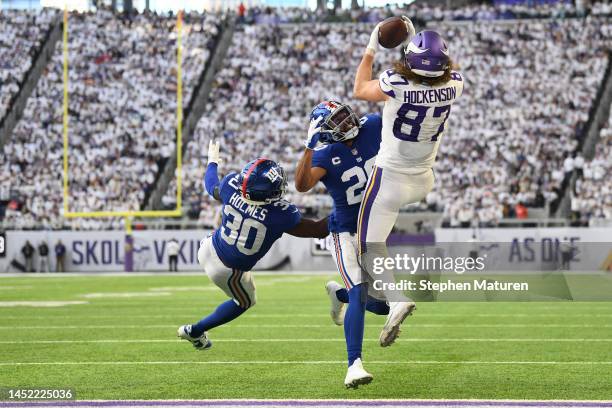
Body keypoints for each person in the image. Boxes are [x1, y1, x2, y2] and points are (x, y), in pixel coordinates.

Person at [353, 19, 464, 345]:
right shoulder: (455, 83)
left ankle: (396, 297)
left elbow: (360, 89)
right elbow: (428, 70)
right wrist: (415, 40)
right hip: (423, 179)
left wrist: (372, 45)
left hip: (390, 179)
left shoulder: (396, 82)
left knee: (367, 246)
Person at [177, 140, 329, 350]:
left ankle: (196, 331)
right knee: (246, 302)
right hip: (229, 271)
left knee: (223, 229)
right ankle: (194, 331)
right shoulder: (280, 214)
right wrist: (347, 208)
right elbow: (318, 229)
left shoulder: (231, 186)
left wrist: (212, 161)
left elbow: (211, 186)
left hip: (207, 248)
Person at [295, 101, 391, 388]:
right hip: (344, 232)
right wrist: (309, 146)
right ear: (326, 130)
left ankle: (340, 296)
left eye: (344, 115)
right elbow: (302, 185)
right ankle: (354, 365)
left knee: (384, 307)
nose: (347, 121)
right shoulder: (325, 153)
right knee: (359, 291)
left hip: (373, 229)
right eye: (337, 120)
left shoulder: (373, 124)